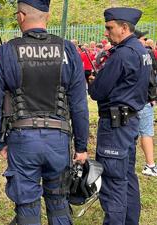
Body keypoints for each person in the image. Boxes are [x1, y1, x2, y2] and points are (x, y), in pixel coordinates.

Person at [0, 0, 89, 224]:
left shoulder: (7, 51)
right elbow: (79, 104)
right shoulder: (68, 49)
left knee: (27, 207)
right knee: (59, 205)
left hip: (23, 140)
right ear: (47, 16)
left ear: (20, 16)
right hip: (59, 140)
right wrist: (81, 147)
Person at [88, 8, 152, 225]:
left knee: (113, 182)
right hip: (130, 121)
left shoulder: (122, 54)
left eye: (110, 27)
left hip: (115, 125)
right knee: (127, 178)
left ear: (124, 28)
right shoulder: (141, 51)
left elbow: (97, 91)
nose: (106, 33)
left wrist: (94, 81)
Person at [134, 30, 157, 176]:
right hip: (143, 100)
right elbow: (150, 79)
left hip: (134, 100)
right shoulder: (144, 55)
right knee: (146, 132)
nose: (145, 41)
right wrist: (152, 97)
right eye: (143, 38)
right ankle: (150, 165)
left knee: (134, 133)